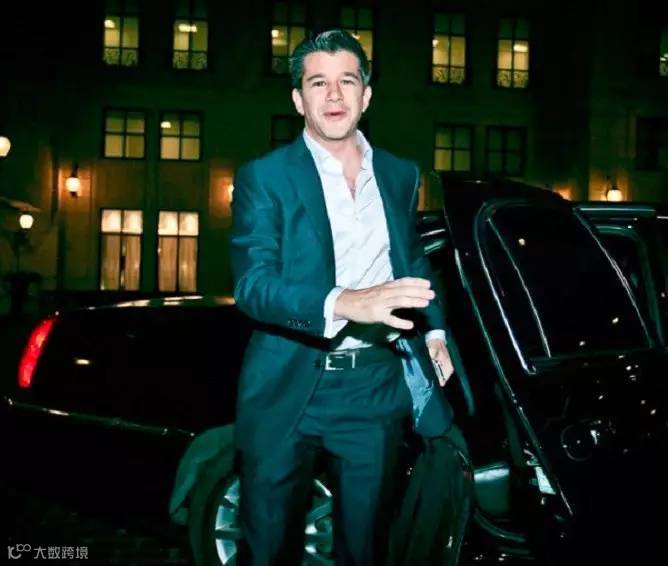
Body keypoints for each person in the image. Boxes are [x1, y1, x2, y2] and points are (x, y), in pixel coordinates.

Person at [230, 29, 456, 565]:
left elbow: (412, 260)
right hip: (287, 385)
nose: (334, 95)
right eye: (318, 83)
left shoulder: (399, 174)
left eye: (347, 81)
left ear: (366, 95)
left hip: (374, 386)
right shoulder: (264, 177)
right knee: (267, 550)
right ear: (298, 99)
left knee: (367, 549)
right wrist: (346, 302)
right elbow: (252, 286)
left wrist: (435, 331)